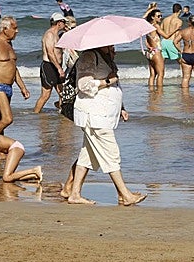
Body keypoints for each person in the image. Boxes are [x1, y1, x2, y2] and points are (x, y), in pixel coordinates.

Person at [59, 45, 146, 205]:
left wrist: (121, 107)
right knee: (111, 153)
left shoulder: (106, 58)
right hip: (93, 114)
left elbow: (113, 87)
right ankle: (125, 194)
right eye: (111, 44)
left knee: (88, 156)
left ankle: (74, 194)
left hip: (101, 114)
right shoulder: (89, 57)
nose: (114, 47)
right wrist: (108, 80)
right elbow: (83, 85)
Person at [0, 16, 30, 133]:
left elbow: (13, 68)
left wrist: (23, 88)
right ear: (5, 29)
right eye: (14, 28)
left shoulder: (9, 45)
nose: (17, 31)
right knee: (7, 119)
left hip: (9, 87)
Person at [33, 13, 67, 113]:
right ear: (59, 23)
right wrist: (59, 68)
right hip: (49, 66)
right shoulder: (49, 34)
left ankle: (62, 112)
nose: (65, 24)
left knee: (62, 92)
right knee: (46, 94)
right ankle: (35, 114)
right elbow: (50, 53)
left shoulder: (57, 35)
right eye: (64, 22)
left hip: (57, 67)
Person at [144, 9, 166, 87]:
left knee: (152, 75)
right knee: (161, 74)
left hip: (150, 52)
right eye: (158, 16)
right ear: (153, 17)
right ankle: (159, 92)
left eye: (161, 16)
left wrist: (150, 9)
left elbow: (146, 41)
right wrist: (176, 30)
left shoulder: (147, 26)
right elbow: (166, 36)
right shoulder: (156, 26)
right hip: (156, 52)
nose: (160, 17)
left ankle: (151, 92)